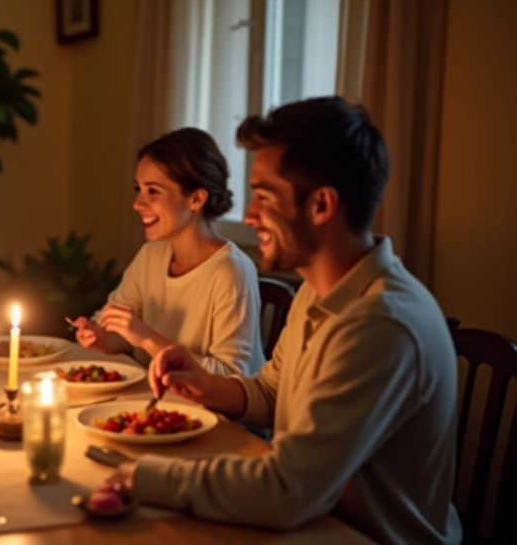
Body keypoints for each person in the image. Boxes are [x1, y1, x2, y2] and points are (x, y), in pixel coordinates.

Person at [108, 97, 461, 544]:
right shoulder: (318, 288)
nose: (249, 214)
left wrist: (143, 476)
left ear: (321, 206)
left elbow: (286, 491)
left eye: (265, 196)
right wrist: (203, 381)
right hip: (317, 521)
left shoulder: (379, 323)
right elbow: (271, 393)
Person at [72, 128, 264, 376]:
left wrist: (146, 339)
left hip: (209, 412)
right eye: (138, 189)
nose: (137, 203)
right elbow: (122, 334)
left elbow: (229, 377)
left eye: (153, 191)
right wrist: (102, 337)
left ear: (196, 199)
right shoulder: (151, 256)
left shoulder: (231, 271)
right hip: (153, 401)